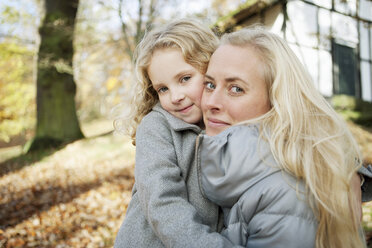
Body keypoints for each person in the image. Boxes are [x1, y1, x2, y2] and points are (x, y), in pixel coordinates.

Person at [197, 27, 371, 248]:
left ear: (277, 100)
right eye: (210, 84)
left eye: (236, 89)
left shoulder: (288, 195)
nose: (211, 102)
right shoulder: (228, 164)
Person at [113, 18, 236, 247]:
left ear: (210, 71)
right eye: (163, 89)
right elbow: (164, 203)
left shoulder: (224, 126)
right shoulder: (155, 127)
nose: (175, 96)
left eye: (185, 79)